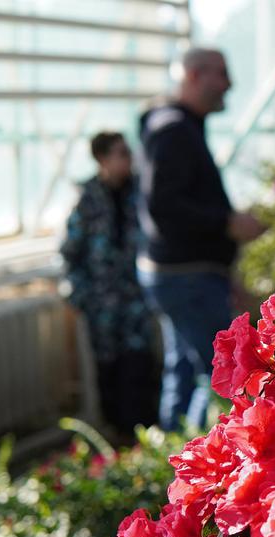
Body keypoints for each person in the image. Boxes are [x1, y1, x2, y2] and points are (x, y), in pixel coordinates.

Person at [136, 47, 265, 432]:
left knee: (184, 366)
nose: (229, 84)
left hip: (183, 274)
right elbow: (163, 206)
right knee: (222, 374)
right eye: (221, 73)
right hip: (186, 276)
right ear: (193, 76)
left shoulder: (178, 125)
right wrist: (226, 223)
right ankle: (200, 451)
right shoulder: (172, 129)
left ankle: (171, 446)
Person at [60, 132, 158, 442]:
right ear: (102, 159)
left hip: (136, 300)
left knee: (139, 365)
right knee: (108, 369)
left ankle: (143, 435)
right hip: (101, 304)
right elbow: (70, 252)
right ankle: (116, 438)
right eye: (121, 153)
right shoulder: (88, 199)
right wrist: (80, 295)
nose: (128, 159)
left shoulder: (140, 192)